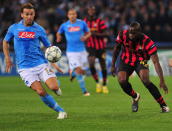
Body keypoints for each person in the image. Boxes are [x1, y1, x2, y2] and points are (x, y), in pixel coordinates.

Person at [3, 3, 67, 119]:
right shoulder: (14, 28)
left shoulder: (39, 29)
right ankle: (61, 111)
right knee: (40, 91)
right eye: (26, 14)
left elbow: (49, 48)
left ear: (34, 14)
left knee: (53, 87)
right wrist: (7, 58)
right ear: (22, 15)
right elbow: (5, 41)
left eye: (31, 14)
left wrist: (54, 64)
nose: (29, 16)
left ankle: (56, 86)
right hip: (24, 68)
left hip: (41, 64)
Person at [111, 21, 170, 112]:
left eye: (133, 33)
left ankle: (163, 105)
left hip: (141, 60)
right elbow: (116, 49)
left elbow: (156, 62)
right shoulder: (123, 34)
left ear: (139, 33)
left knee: (145, 79)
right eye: (130, 32)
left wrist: (162, 80)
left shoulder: (147, 41)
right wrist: (113, 65)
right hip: (126, 59)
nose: (131, 35)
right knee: (122, 80)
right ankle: (135, 96)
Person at [56, 9, 91, 96]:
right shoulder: (64, 25)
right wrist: (58, 38)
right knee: (79, 70)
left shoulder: (82, 23)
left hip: (82, 50)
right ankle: (84, 91)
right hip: (71, 52)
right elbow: (58, 33)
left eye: (74, 14)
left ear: (76, 15)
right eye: (70, 14)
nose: (72, 16)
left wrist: (85, 37)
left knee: (84, 71)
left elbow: (89, 33)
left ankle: (73, 74)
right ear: (68, 15)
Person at [83, 6, 109, 94]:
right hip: (90, 46)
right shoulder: (84, 22)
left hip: (101, 47)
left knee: (103, 65)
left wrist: (95, 34)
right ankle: (98, 82)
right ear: (87, 11)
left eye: (93, 10)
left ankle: (104, 85)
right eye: (89, 10)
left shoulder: (99, 21)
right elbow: (81, 33)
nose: (91, 11)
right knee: (91, 63)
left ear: (95, 11)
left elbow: (106, 33)